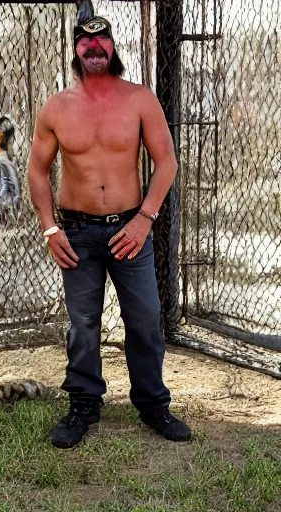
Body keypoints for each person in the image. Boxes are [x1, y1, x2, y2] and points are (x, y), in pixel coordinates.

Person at [26, 0, 192, 449]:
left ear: (113, 47)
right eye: (85, 40)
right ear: (76, 50)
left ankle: (153, 404)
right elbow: (37, 171)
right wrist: (49, 228)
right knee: (82, 324)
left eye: (101, 40)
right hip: (76, 233)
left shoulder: (139, 98)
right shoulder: (57, 107)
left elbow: (167, 163)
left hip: (129, 231)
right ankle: (83, 404)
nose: (94, 47)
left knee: (145, 320)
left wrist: (144, 220)